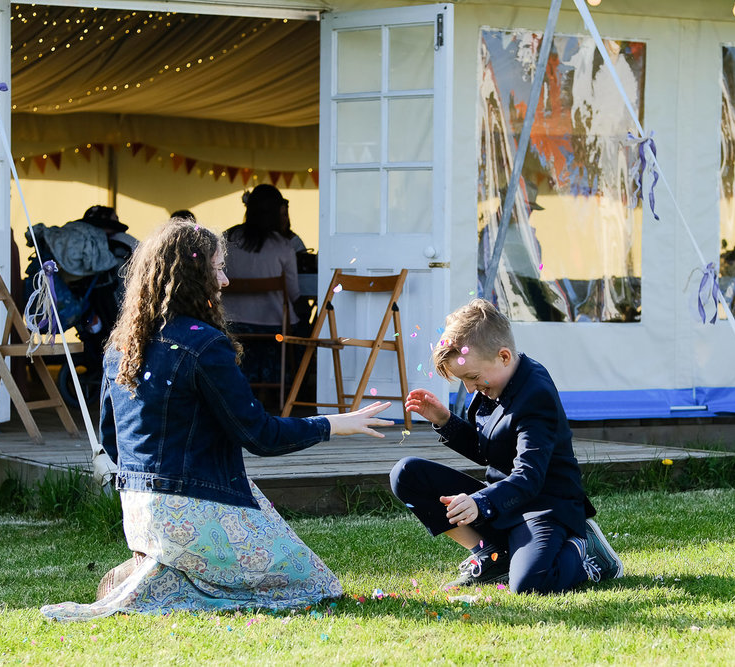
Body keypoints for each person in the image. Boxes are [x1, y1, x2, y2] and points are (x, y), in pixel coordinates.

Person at [40, 219, 393, 621]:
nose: (225, 281)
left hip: (138, 515)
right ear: (194, 276)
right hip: (187, 508)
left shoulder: (119, 346)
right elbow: (260, 435)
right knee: (316, 585)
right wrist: (333, 424)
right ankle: (152, 581)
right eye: (218, 268)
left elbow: (112, 435)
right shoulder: (205, 345)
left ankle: (153, 566)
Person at [390, 299, 622, 594]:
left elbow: (529, 477)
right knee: (406, 473)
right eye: (464, 381)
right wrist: (445, 420)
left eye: (472, 378)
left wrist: (480, 502)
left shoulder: (536, 395)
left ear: (503, 356)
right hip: (502, 501)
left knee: (529, 586)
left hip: (543, 506)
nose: (471, 389)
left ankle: (584, 549)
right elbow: (489, 450)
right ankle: (492, 555)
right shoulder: (494, 381)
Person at [222, 186, 302, 389]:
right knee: (304, 327)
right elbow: (293, 293)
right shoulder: (283, 245)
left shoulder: (227, 239)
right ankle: (294, 387)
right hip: (273, 326)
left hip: (231, 324)